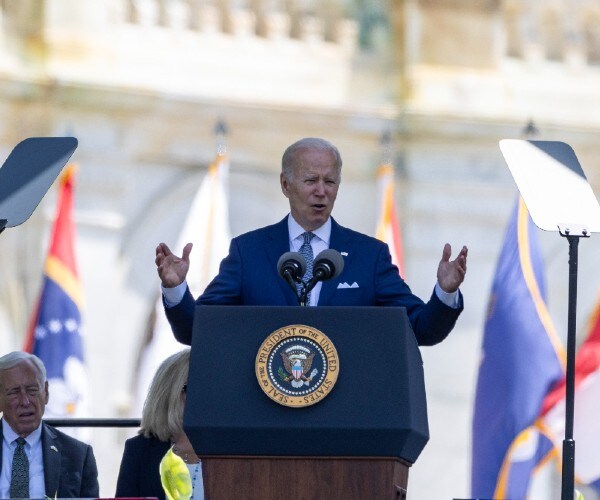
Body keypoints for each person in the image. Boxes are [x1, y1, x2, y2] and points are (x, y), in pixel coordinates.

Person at [156, 137, 468, 346]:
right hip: (266, 417)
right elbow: (197, 331)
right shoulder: (249, 252)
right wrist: (175, 288)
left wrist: (445, 292)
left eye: (330, 181)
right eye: (310, 180)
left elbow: (421, 329)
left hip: (343, 421)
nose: (321, 191)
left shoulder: (368, 256)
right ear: (285, 184)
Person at [0, 351, 99, 498]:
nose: (25, 401)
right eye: (14, 392)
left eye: (32, 390)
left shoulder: (78, 456)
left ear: (46, 392)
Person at [116, 348, 204, 500]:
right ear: (171, 393)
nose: (205, 396)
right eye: (197, 388)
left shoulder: (232, 449)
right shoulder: (139, 450)